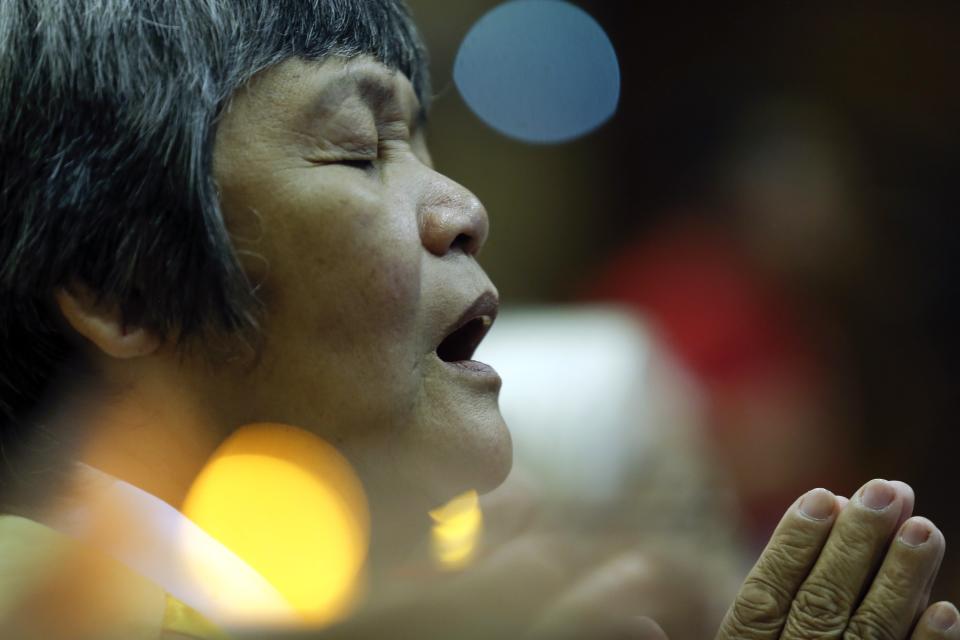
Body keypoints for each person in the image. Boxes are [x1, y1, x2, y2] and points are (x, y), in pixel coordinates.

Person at [0, 1, 956, 638]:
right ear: (120, 282)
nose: (463, 207)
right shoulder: (44, 597)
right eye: (356, 150)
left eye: (424, 144)